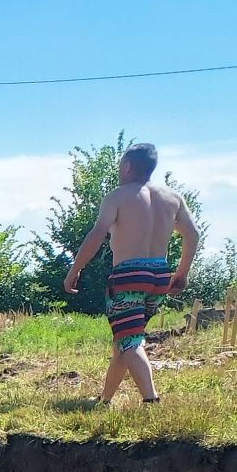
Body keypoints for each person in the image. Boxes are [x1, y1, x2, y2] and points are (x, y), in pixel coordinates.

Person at [63, 142, 198, 405]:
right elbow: (192, 234)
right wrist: (182, 272)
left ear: (126, 166)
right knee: (124, 342)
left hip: (128, 275)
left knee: (130, 341)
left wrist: (74, 270)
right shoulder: (173, 197)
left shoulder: (118, 197)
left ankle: (151, 402)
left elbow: (97, 234)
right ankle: (105, 400)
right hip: (159, 274)